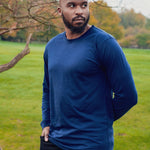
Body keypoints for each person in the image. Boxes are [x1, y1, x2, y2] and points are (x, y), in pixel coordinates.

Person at [40, 0, 138, 149]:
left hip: (90, 143)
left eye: (84, 5)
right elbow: (48, 89)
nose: (80, 11)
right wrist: (46, 122)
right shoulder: (52, 46)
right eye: (72, 5)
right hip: (54, 141)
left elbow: (128, 96)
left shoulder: (105, 43)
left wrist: (100, 120)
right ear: (60, 11)